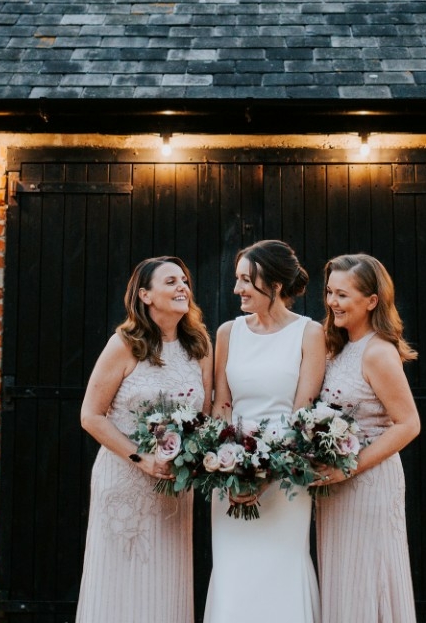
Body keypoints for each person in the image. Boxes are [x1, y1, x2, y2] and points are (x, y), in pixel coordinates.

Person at [76, 256, 213, 623]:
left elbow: (205, 418)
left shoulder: (200, 346)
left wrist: (193, 457)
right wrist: (142, 458)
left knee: (164, 587)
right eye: (171, 281)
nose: (182, 287)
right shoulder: (124, 344)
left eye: (184, 281)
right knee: (120, 583)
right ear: (145, 295)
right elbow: (91, 416)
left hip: (172, 487)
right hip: (125, 480)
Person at [203, 240, 325, 623]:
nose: (236, 289)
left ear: (274, 285)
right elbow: (222, 405)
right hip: (231, 476)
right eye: (237, 279)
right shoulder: (228, 332)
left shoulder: (309, 333)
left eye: (246, 280)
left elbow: (303, 413)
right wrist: (227, 465)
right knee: (234, 575)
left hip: (286, 478)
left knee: (281, 570)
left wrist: (268, 473)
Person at [314, 253, 420, 623]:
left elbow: (408, 424)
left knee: (368, 577)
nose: (332, 302)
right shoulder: (338, 347)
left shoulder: (377, 352)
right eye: (330, 292)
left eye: (342, 295)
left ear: (371, 301)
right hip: (336, 486)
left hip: (369, 482)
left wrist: (349, 468)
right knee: (344, 580)